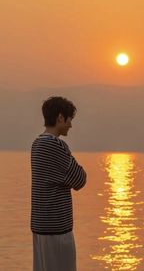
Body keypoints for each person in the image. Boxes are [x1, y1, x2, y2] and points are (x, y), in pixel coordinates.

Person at [31, 96, 87, 271]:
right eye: (70, 120)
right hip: (57, 229)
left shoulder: (37, 144)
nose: (71, 125)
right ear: (61, 118)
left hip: (41, 226)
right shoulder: (56, 145)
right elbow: (80, 179)